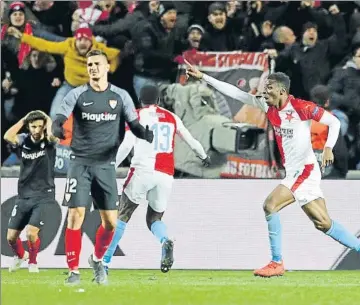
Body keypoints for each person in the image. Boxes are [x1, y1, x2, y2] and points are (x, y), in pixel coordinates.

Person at [185, 61, 360, 278]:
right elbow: (236, 93)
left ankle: (276, 262)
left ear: (282, 90)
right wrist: (204, 77)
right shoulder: (267, 106)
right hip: (298, 171)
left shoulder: (301, 108)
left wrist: (327, 148)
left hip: (303, 170)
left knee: (270, 205)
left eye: (268, 88)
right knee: (323, 223)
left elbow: (333, 122)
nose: (264, 92)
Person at [52, 49, 154, 285]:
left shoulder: (121, 96)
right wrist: (57, 127)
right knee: (75, 215)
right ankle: (73, 272)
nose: (93, 68)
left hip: (106, 166)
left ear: (107, 67)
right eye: (89, 65)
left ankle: (97, 259)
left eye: (97, 64)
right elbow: (60, 117)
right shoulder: (77, 94)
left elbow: (134, 124)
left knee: (110, 222)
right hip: (80, 162)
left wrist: (144, 133)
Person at [102, 85, 210, 274]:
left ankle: (105, 262)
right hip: (166, 174)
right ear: (159, 101)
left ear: (140, 101)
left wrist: (110, 166)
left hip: (142, 170)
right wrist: (203, 156)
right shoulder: (172, 117)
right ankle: (165, 239)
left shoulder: (137, 115)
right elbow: (191, 140)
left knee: (123, 214)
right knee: (154, 218)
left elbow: (127, 145)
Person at [3, 110, 58, 273]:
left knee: (31, 233)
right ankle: (21, 256)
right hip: (23, 195)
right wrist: (24, 119)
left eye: (40, 127)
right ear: (28, 127)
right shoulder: (23, 140)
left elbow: (54, 133)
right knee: (11, 237)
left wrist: (45, 117)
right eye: (33, 126)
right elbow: (7, 136)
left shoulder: (49, 141)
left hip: (44, 195)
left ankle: (33, 263)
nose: (36, 130)